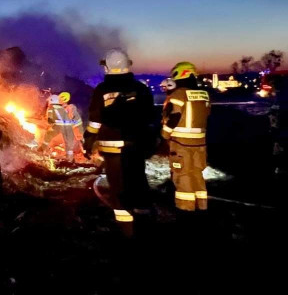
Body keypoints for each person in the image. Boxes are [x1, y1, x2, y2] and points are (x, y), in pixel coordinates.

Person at [85, 49, 155, 230]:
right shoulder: (141, 88)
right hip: (136, 147)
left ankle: (126, 233)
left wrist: (88, 141)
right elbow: (150, 117)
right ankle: (146, 224)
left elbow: (95, 120)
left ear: (107, 67)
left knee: (118, 188)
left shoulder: (101, 90)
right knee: (138, 181)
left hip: (112, 150)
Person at [159, 62, 211, 211]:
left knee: (183, 177)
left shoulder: (178, 94)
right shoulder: (204, 95)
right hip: (200, 145)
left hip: (181, 145)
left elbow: (173, 117)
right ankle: (201, 206)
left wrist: (164, 135)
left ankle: (185, 210)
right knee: (197, 175)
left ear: (180, 74)